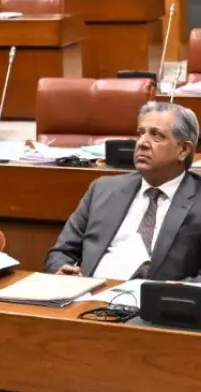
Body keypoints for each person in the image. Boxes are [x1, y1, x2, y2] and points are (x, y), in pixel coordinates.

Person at [45, 102, 201, 281]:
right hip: (88, 300)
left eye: (156, 135)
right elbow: (61, 252)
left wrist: (164, 295)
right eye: (140, 133)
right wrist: (59, 270)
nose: (142, 143)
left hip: (156, 304)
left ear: (183, 150)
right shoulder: (103, 190)